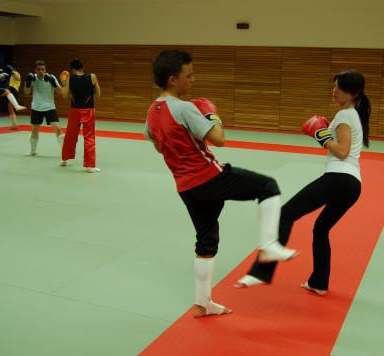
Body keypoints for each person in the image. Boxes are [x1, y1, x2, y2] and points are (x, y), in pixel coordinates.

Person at [145, 49, 297, 317]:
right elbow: (219, 138)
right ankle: (269, 246)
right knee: (268, 186)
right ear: (172, 79)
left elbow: (160, 148)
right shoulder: (185, 108)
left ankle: (203, 304)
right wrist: (212, 116)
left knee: (205, 243)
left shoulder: (152, 112)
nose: (193, 80)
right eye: (188, 75)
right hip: (210, 177)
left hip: (186, 188)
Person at [236, 69, 370, 296]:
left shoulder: (346, 115)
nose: (334, 91)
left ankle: (262, 270)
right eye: (334, 86)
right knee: (320, 230)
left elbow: (343, 151)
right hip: (353, 185)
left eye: (340, 88)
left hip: (338, 178)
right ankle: (318, 282)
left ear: (353, 93)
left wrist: (322, 136)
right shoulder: (354, 115)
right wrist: (325, 135)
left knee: (286, 213)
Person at [60, 58, 101, 172]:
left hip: (75, 110)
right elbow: (98, 94)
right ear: (82, 67)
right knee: (89, 137)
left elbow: (64, 95)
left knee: (70, 136)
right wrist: (95, 82)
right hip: (88, 110)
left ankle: (64, 159)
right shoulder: (92, 77)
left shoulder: (70, 79)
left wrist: (64, 83)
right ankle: (90, 166)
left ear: (72, 69)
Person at [23, 60, 64, 156]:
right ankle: (33, 150)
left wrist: (53, 82)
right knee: (34, 130)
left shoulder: (51, 77)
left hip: (50, 107)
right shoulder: (32, 78)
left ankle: (64, 151)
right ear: (35, 70)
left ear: (45, 70)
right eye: (39, 69)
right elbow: (26, 92)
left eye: (43, 69)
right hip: (36, 107)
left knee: (58, 128)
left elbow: (60, 92)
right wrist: (28, 83)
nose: (41, 71)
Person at [4, 63, 21, 129]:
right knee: (10, 108)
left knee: (10, 108)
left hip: (14, 90)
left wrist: (12, 71)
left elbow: (18, 78)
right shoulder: (11, 75)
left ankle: (14, 125)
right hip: (11, 90)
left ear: (14, 68)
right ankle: (14, 125)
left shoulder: (16, 73)